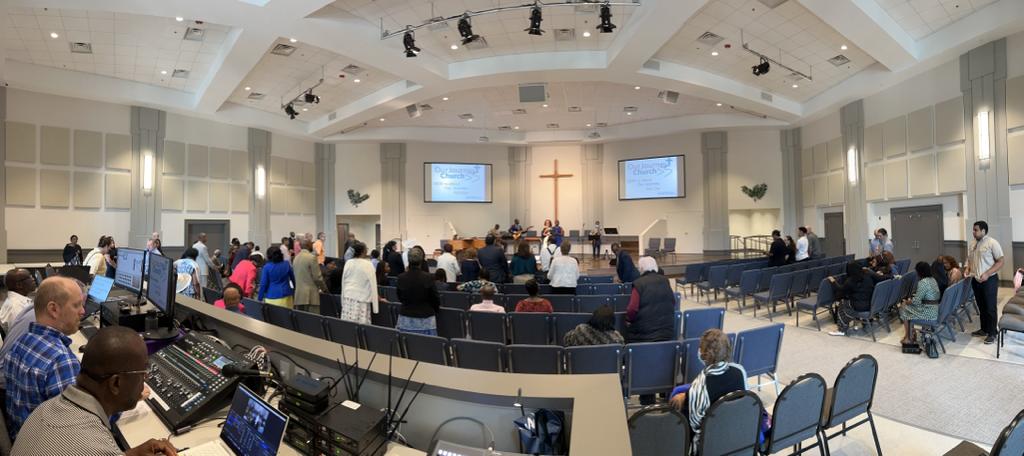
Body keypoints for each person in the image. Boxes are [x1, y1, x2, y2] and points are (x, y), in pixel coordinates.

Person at [11, 326, 178, 456]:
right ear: (116, 383)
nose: (145, 378)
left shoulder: (44, 409)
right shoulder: (94, 446)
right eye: (143, 372)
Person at [3, 277, 85, 440]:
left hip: (21, 438)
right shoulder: (61, 361)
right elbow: (77, 431)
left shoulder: (21, 342)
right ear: (53, 309)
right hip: (44, 445)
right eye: (77, 305)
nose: (83, 311)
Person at [667, 329, 747, 450]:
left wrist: (688, 396)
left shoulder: (699, 388)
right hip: (739, 436)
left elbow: (694, 427)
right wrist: (687, 395)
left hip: (712, 445)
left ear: (703, 354)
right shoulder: (740, 371)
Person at [966, 220, 1004, 344]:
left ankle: (992, 332)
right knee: (981, 306)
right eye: (973, 230)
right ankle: (984, 329)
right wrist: (967, 268)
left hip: (989, 280)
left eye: (976, 230)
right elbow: (969, 260)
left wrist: (987, 273)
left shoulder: (992, 243)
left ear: (983, 231)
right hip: (976, 280)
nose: (973, 232)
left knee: (990, 307)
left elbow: (1001, 261)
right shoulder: (972, 244)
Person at [625, 256, 675, 343]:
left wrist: (628, 320)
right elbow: (673, 302)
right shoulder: (665, 280)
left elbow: (632, 309)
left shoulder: (638, 283)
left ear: (641, 269)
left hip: (643, 335)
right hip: (666, 332)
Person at [396, 248, 440, 334]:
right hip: (425, 318)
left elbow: (399, 296)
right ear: (421, 260)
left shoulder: (401, 277)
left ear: (408, 260)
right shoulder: (428, 277)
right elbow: (435, 298)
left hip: (405, 317)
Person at [827, 262, 877, 336]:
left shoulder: (851, 280)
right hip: (871, 305)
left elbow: (840, 290)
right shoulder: (868, 277)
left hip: (859, 307)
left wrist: (833, 281)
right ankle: (861, 323)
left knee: (842, 303)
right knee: (851, 301)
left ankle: (841, 329)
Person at [899, 262, 940, 344]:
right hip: (934, 309)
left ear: (919, 272)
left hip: (927, 313)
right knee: (907, 309)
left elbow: (916, 302)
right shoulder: (933, 280)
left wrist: (907, 301)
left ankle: (908, 337)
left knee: (903, 308)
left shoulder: (922, 282)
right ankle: (912, 333)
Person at [341, 241, 379, 325]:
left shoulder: (348, 262)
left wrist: (342, 299)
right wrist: (375, 307)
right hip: (362, 299)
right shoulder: (368, 264)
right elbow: (373, 285)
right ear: (363, 251)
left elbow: (343, 281)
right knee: (361, 325)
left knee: (347, 324)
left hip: (348, 297)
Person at [293, 240, 327, 308]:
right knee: (313, 314)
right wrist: (324, 289)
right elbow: (317, 278)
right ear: (308, 246)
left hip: (299, 295)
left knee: (301, 315)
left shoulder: (296, 258)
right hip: (311, 296)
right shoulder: (311, 258)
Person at [1, 268, 36, 333]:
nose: (33, 279)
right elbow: (21, 334)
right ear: (19, 285)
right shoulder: (16, 308)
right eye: (29, 277)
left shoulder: (18, 302)